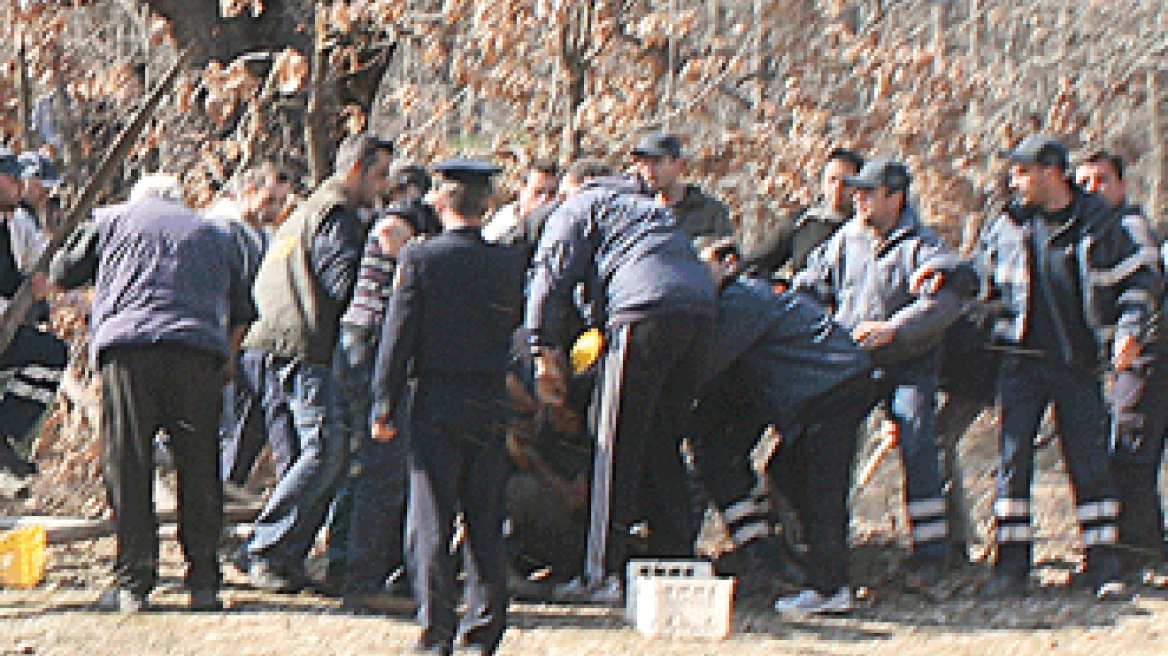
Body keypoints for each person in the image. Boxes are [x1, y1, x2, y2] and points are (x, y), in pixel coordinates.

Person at [933, 135, 1159, 599]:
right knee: (1012, 465)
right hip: (1019, 363)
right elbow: (980, 272)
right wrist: (948, 274)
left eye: (1023, 172)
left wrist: (1130, 329)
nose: (1015, 182)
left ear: (1051, 173)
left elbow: (1139, 282)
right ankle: (1011, 567)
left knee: (1089, 465)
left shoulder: (1098, 222)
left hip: (1077, 364)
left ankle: (1103, 566)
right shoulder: (1007, 222)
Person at [47, 173, 256, 612]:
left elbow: (63, 272)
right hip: (197, 353)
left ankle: (134, 583)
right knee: (199, 465)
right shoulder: (215, 232)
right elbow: (242, 309)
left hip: (130, 352)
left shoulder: (111, 220)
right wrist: (228, 358)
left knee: (128, 462)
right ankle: (203, 581)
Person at [525, 173, 716, 599]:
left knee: (613, 445)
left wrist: (541, 347)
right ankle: (674, 562)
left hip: (644, 310)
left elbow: (550, 272)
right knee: (661, 439)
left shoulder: (580, 205)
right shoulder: (649, 212)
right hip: (701, 314)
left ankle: (600, 573)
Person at [371, 159, 525, 656]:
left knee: (432, 519)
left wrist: (385, 402)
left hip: (437, 395)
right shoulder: (507, 262)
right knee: (485, 516)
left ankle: (437, 628)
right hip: (489, 395)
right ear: (488, 206)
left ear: (441, 201)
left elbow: (398, 337)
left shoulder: (421, 260)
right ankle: (483, 628)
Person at [791, 159, 963, 590]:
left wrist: (895, 329)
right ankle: (819, 549)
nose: (859, 199)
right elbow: (812, 284)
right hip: (855, 362)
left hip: (910, 361)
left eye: (869, 192)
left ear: (895, 197)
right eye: (857, 192)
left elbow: (944, 302)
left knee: (917, 439)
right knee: (822, 440)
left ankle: (931, 558)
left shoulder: (923, 244)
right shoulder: (846, 239)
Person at [237, 133, 395, 592]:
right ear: (354, 172)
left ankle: (286, 554)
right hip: (305, 347)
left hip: (276, 344)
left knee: (322, 455)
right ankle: (264, 548)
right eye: (379, 175)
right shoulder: (336, 216)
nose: (383, 187)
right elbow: (343, 283)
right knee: (327, 450)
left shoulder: (304, 212)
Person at [688, 238, 877, 613]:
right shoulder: (744, 296)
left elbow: (706, 365)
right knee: (787, 472)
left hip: (831, 388)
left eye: (699, 268)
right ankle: (804, 565)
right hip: (827, 388)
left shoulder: (742, 300)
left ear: (725, 264)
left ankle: (829, 588)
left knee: (822, 488)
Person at [333, 162, 442, 611]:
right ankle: (362, 580)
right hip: (372, 348)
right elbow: (392, 235)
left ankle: (360, 568)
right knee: (382, 466)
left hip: (360, 346)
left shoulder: (392, 223)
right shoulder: (398, 225)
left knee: (372, 468)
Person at [1075, 150, 1168, 571]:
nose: (1092, 189)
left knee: (1132, 450)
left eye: (1102, 180)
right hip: (1123, 358)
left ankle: (1141, 554)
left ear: (1123, 186)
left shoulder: (1130, 227)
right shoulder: (1091, 229)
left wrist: (1129, 341)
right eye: (1085, 182)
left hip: (1145, 354)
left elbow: (1143, 291)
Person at [0, 149, 64, 482]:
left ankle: (5, 432)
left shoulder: (16, 223)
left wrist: (48, 284)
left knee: (51, 354)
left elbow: (44, 265)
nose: (18, 187)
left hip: (5, 327)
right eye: (11, 180)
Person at [743, 147, 863, 284]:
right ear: (823, 182)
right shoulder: (803, 221)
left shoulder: (866, 227)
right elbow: (757, 264)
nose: (838, 187)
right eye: (832, 180)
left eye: (847, 182)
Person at [630, 133, 733, 238]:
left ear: (678, 164)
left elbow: (724, 250)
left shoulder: (710, 211)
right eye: (644, 163)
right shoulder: (638, 214)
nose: (649, 170)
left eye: (657, 161)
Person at [481, 160, 558, 243]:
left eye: (551, 193)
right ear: (522, 188)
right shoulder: (506, 216)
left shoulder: (554, 225)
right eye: (538, 192)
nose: (545, 200)